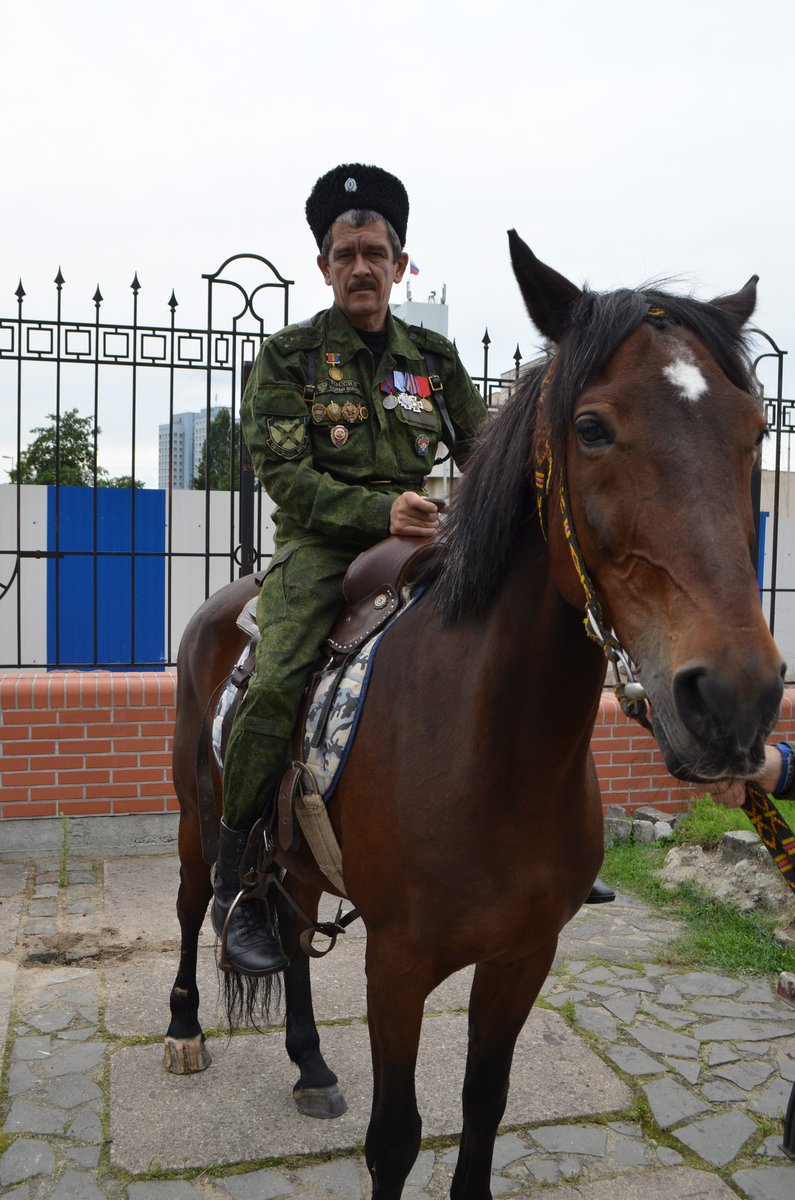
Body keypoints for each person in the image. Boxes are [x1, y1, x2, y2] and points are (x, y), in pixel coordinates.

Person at [212, 163, 490, 976]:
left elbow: (484, 454)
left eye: (375, 253)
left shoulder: (433, 359)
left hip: (427, 536)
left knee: (517, 635)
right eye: (345, 254)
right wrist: (378, 513)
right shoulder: (289, 357)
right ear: (324, 266)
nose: (360, 267)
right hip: (321, 546)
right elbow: (285, 477)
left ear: (400, 265)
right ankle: (238, 884)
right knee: (274, 680)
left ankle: (526, 837)